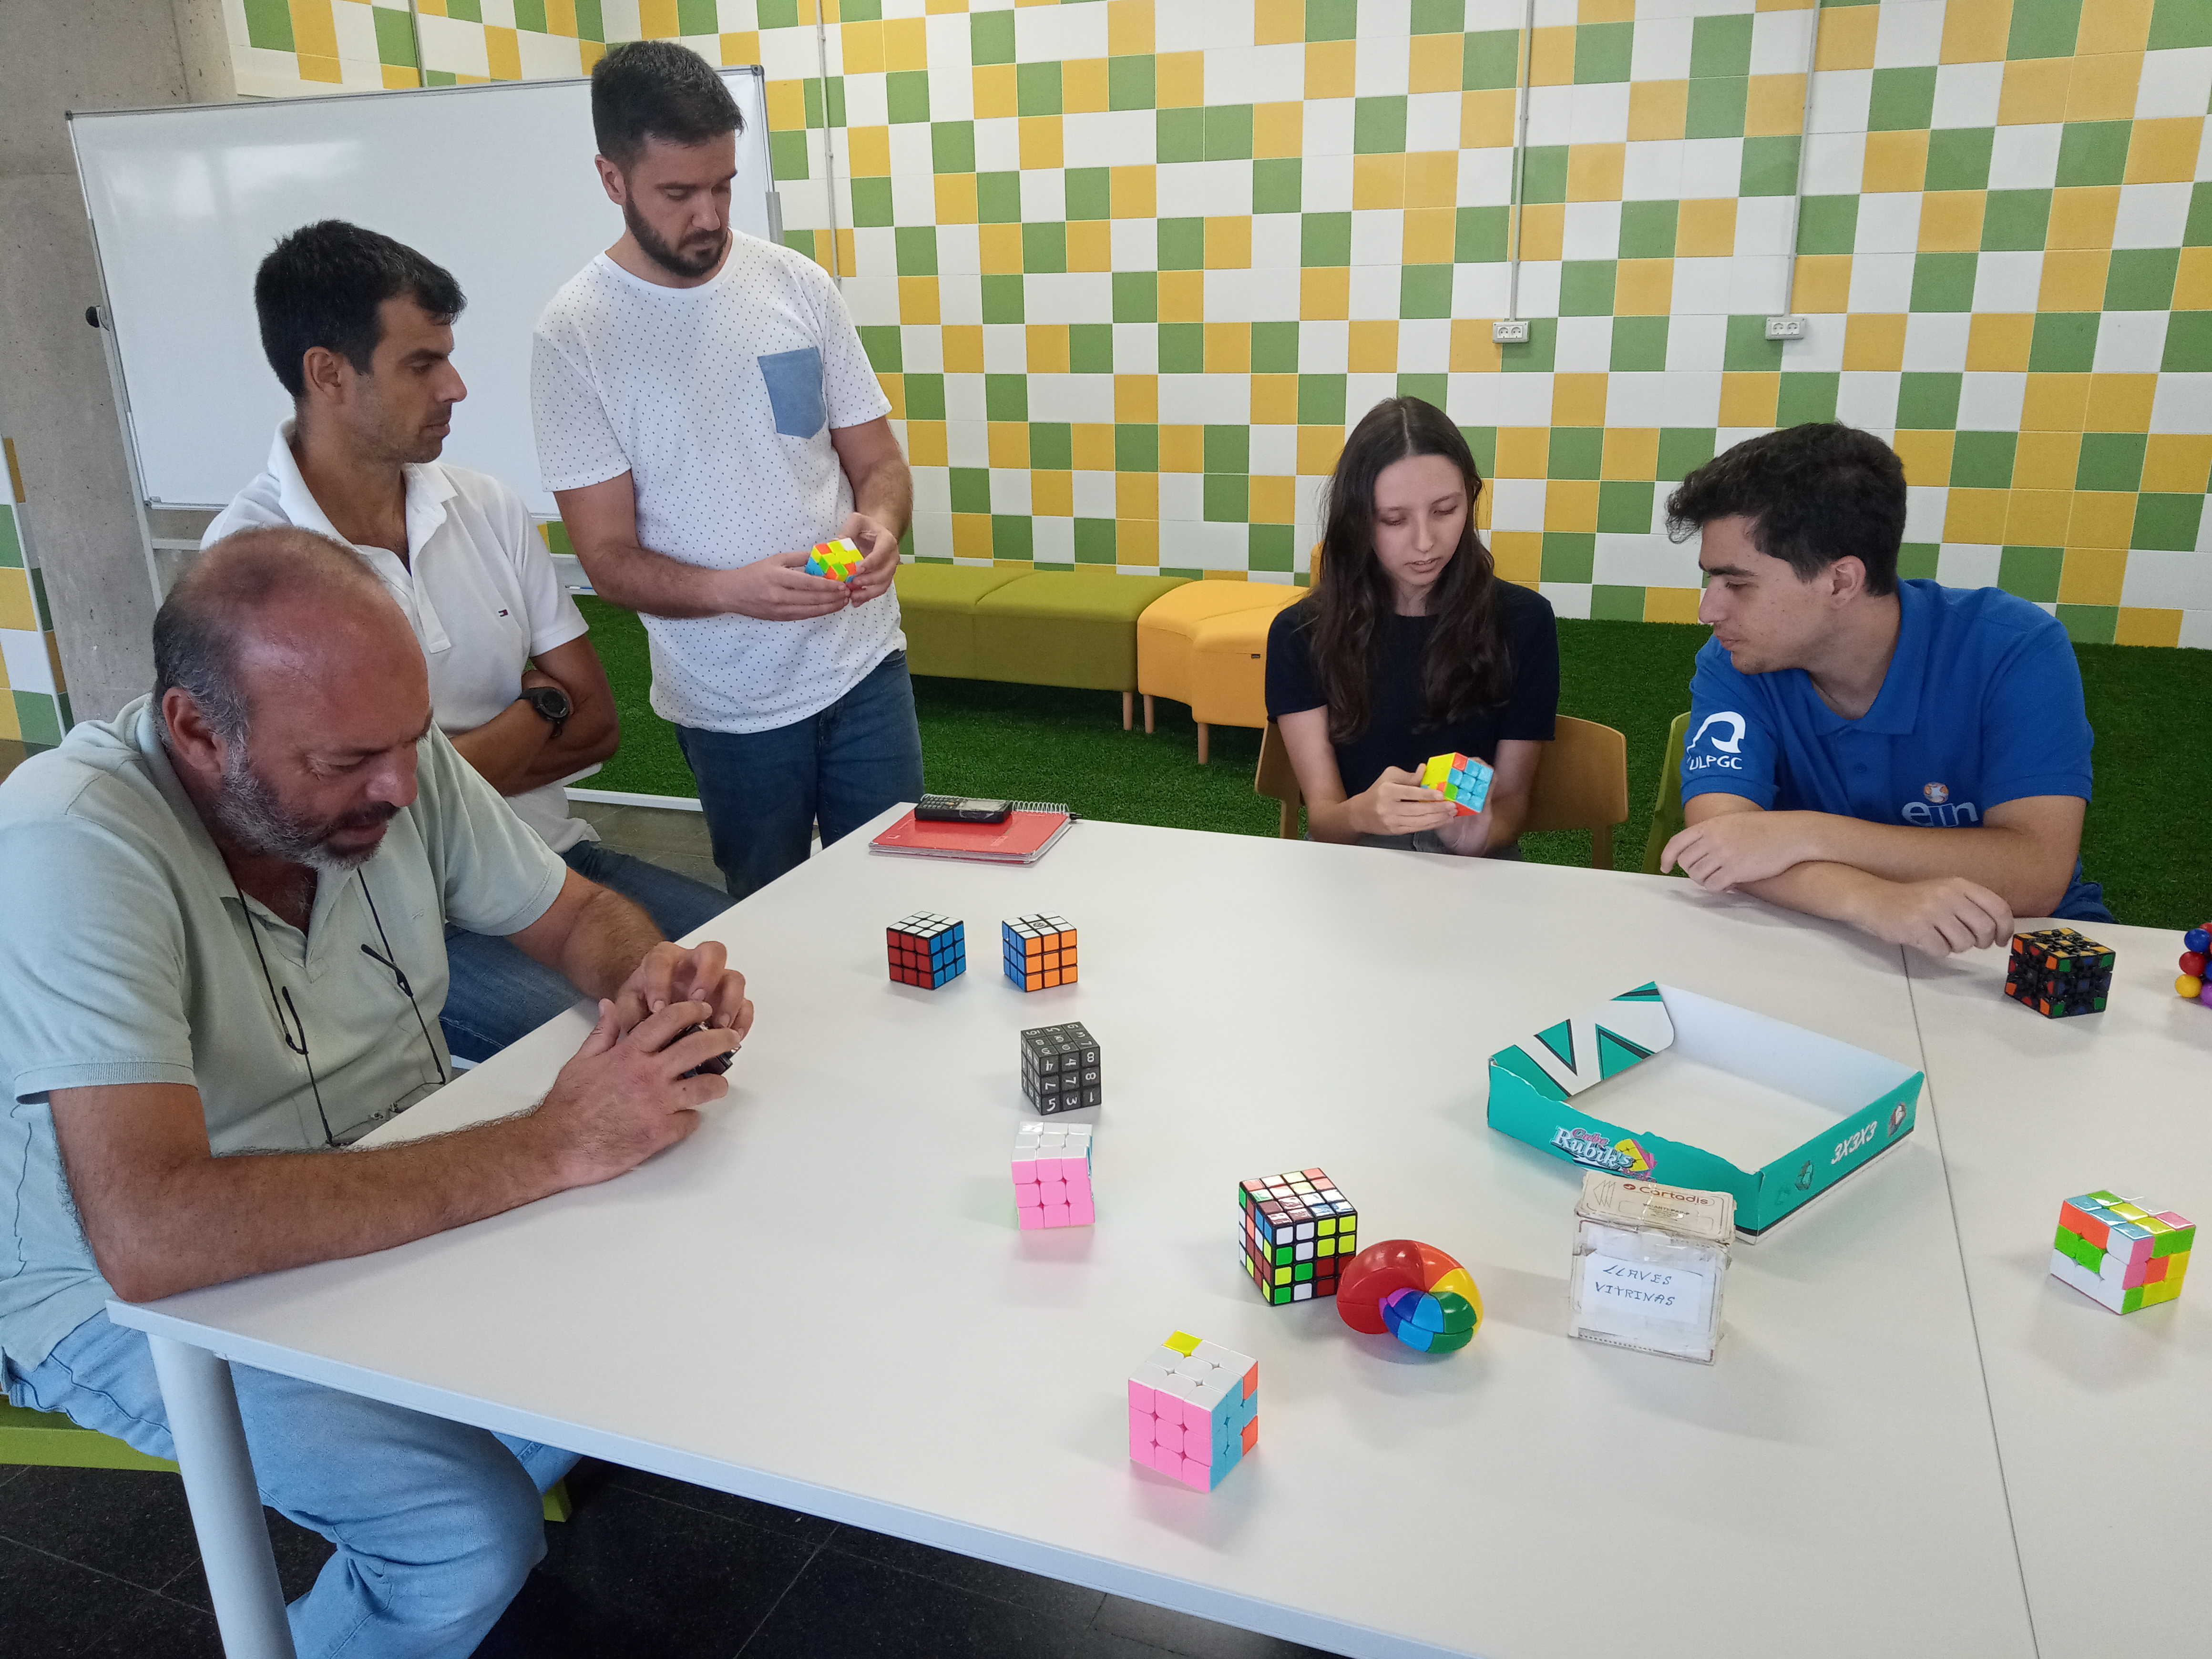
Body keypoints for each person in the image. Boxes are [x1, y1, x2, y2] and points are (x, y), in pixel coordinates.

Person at [0, 529, 753, 1658]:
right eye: (344, 761)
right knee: (464, 1531)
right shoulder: (72, 843)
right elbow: (150, 1232)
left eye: (408, 742)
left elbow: (578, 913)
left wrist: (640, 979)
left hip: (374, 1182)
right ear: (196, 731)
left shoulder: (395, 758)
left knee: (640, 1330)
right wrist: (552, 1145)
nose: (400, 786)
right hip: (107, 1284)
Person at [205, 218, 732, 1064]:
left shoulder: (486, 506)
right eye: (422, 363)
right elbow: (316, 816)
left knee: (742, 970)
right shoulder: (250, 568)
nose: (455, 386)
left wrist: (436, 772)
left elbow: (596, 721)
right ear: (328, 374)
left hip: (557, 862)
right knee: (647, 1047)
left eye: (448, 355)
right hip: (395, 920)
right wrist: (534, 713)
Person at [532, 40, 923, 901]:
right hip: (730, 703)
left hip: (864, 665)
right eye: (679, 194)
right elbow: (607, 558)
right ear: (612, 178)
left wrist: (883, 524)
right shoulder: (577, 336)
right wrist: (730, 591)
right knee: (768, 916)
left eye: (723, 186)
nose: (708, 215)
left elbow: (878, 464)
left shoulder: (797, 285)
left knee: (902, 896)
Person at [1659, 422, 2110, 955]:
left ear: (1840, 581)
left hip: (2004, 944)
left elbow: (2035, 873)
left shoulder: (2012, 646)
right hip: (1813, 931)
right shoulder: (1733, 660)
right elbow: (1722, 846)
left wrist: (1803, 834)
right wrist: (1870, 901)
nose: (1707, 610)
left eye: (1736, 584)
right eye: (1709, 581)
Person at [1265, 397, 1559, 856]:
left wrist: (1476, 833)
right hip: (1355, 855)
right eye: (1394, 520)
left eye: (1445, 510)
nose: (1425, 542)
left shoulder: (1524, 621)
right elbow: (1325, 821)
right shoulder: (1301, 634)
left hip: (1474, 866)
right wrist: (1364, 813)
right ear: (1358, 520)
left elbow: (1512, 801)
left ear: (1471, 499)